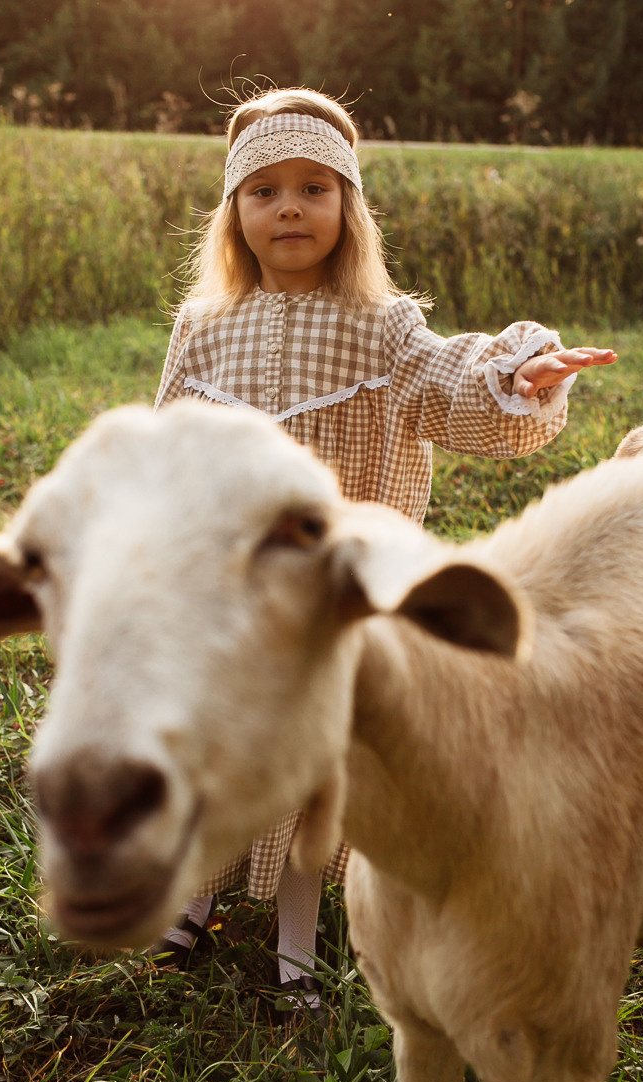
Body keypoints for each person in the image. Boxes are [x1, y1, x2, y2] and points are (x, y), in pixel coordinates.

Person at [151, 87, 616, 1011]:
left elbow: (453, 378)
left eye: (314, 188)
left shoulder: (385, 327)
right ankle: (198, 895)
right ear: (234, 213)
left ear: (347, 207)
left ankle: (297, 952)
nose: (289, 207)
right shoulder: (203, 326)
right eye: (265, 190)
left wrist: (517, 373)